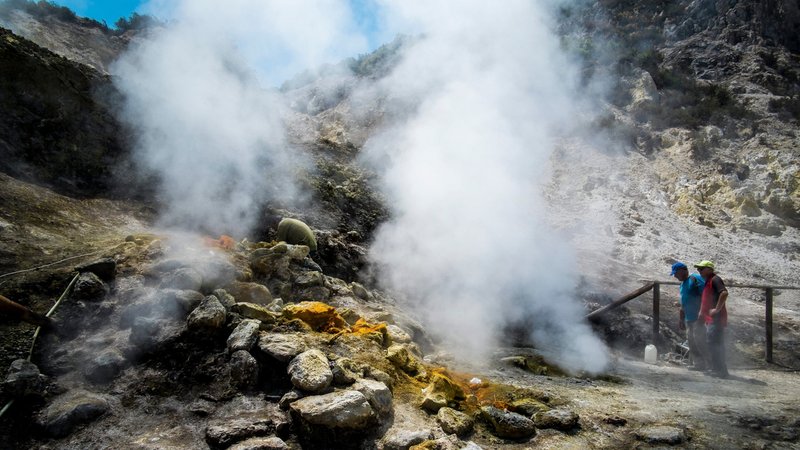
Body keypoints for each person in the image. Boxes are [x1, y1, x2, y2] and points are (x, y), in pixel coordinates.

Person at [671, 262, 708, 370]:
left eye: (676, 273)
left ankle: (711, 365)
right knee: (692, 342)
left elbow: (706, 296)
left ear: (682, 270)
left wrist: (703, 313)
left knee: (701, 342)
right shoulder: (682, 284)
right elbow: (683, 302)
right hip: (689, 318)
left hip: (699, 317)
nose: (675, 276)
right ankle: (699, 365)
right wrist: (681, 319)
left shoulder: (695, 278)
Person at [695, 260, 729, 378]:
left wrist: (717, 309)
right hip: (711, 319)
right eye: (698, 269)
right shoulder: (708, 281)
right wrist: (702, 312)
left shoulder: (715, 279)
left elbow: (724, 293)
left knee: (714, 344)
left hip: (717, 319)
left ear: (709, 269)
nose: (699, 271)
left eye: (701, 268)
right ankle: (717, 369)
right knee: (713, 343)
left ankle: (720, 371)